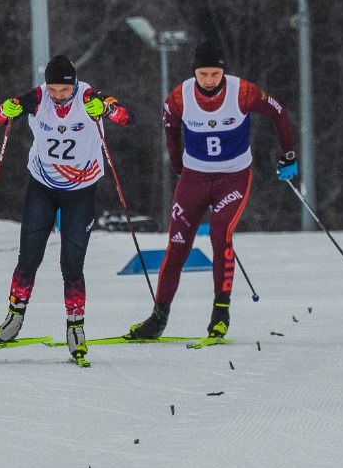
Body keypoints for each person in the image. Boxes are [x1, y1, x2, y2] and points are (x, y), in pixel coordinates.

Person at [126, 42, 296, 341]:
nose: (209, 80)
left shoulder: (242, 92)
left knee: (220, 234)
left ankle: (220, 313)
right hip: (194, 179)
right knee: (177, 245)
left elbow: (279, 112)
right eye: (203, 73)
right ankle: (158, 317)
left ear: (223, 72)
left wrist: (289, 155)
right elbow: (170, 127)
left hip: (233, 177)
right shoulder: (179, 97)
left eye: (215, 73)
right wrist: (178, 164)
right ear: (195, 73)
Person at [0, 54, 136, 365]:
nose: (58, 96)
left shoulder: (89, 97)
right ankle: (13, 319)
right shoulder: (37, 97)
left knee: (72, 265)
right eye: (53, 89)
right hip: (42, 186)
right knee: (28, 258)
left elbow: (127, 117)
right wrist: (6, 110)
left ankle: (75, 328)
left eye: (63, 91)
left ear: (75, 85)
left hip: (80, 192)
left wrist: (107, 110)